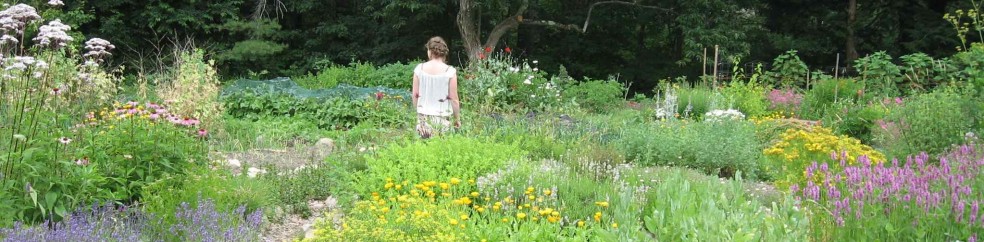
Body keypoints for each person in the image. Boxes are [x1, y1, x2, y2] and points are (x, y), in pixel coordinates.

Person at [412, 36, 460, 139]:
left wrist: (417, 113)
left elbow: (415, 96)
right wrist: (457, 119)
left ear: (429, 51)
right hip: (443, 120)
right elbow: (454, 99)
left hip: (423, 119)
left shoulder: (419, 69)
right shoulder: (450, 71)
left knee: (423, 151)